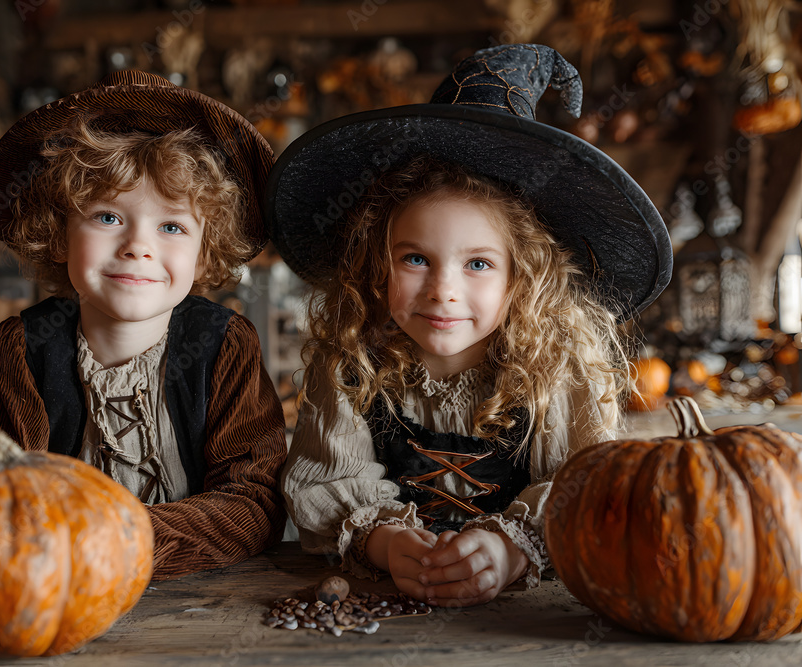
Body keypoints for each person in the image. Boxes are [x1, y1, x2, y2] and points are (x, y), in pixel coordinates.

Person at [267, 44, 672, 606]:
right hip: (382, 614)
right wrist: (383, 542)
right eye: (415, 259)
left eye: (478, 264)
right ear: (374, 265)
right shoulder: (351, 364)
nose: (443, 290)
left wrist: (513, 548)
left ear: (522, 279)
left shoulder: (560, 370)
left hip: (528, 625)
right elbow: (324, 485)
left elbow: (588, 486)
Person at [0, 70, 288, 579]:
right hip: (51, 586)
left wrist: (117, 541)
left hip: (206, 598)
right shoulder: (24, 350)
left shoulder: (225, 346)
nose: (137, 246)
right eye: (106, 217)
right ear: (58, 234)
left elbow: (255, 504)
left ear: (204, 249)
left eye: (171, 226)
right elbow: (3, 495)